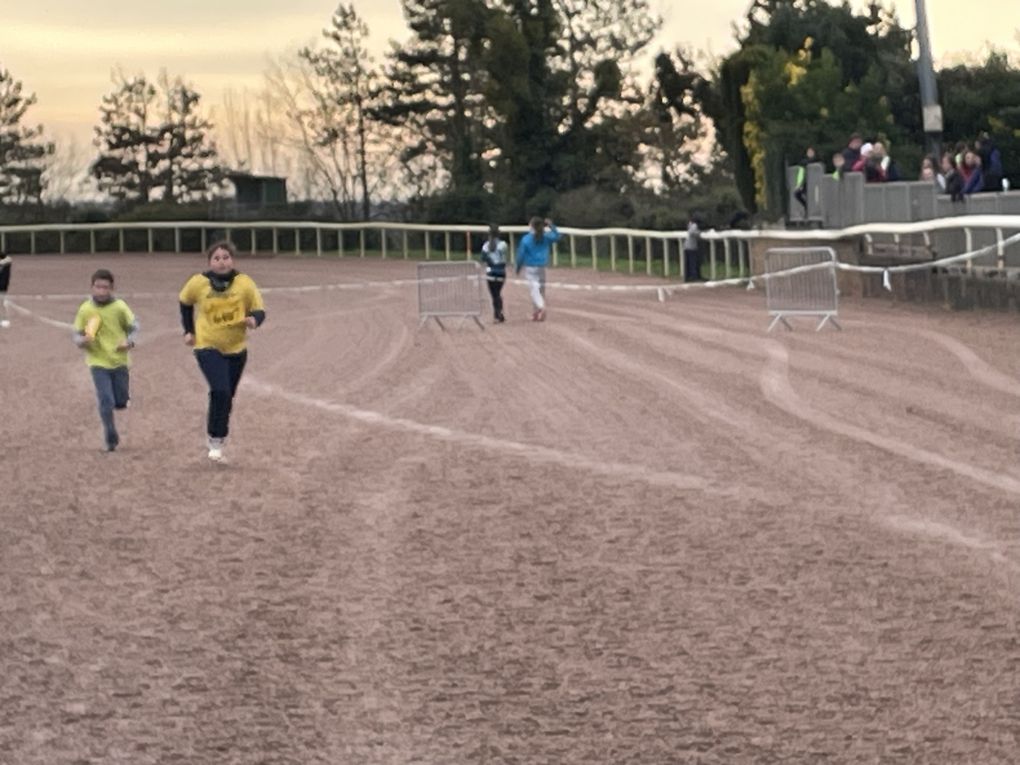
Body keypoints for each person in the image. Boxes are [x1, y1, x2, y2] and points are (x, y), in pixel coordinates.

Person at [179, 240, 266, 462]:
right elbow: (185, 301)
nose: (221, 262)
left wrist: (254, 320)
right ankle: (215, 439)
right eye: (216, 258)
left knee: (228, 396)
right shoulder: (199, 283)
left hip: (236, 349)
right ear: (210, 262)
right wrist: (189, 330)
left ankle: (217, 436)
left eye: (225, 257)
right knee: (220, 390)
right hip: (207, 345)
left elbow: (259, 309)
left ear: (232, 260)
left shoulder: (244, 283)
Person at [73, 269, 139, 452]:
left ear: (112, 288)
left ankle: (123, 399)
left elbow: (134, 327)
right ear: (92, 287)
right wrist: (82, 341)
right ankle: (110, 436)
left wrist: (129, 341)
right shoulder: (86, 309)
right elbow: (77, 334)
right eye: (98, 287)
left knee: (120, 400)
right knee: (105, 400)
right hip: (97, 362)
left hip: (119, 361)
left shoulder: (119, 307)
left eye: (105, 287)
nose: (101, 291)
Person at [515, 216, 559, 321]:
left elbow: (521, 255)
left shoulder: (526, 239)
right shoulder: (545, 237)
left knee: (534, 291)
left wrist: (518, 267)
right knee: (540, 290)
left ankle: (541, 307)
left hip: (530, 267)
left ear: (532, 226)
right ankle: (536, 313)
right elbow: (557, 236)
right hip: (542, 267)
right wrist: (551, 226)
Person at [479, 224, 508, 323]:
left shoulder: (486, 246)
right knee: (498, 293)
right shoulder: (503, 244)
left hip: (491, 272)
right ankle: (499, 312)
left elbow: (483, 258)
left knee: (494, 294)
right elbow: (504, 259)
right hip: (501, 271)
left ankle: (497, 314)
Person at [683, 212, 703, 282]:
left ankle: (688, 277)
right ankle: (694, 277)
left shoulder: (690, 224)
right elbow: (692, 232)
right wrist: (699, 233)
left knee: (688, 263)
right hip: (691, 247)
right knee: (692, 263)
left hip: (687, 246)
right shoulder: (694, 225)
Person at [0, 253, 11, 328]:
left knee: (3, 303)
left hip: (2, 286)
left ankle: (5, 320)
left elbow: (8, 260)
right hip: (3, 286)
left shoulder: (6, 264)